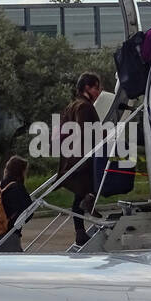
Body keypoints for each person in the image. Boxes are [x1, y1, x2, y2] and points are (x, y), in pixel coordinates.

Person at [58, 72, 102, 247]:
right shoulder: (84, 107)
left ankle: (80, 231)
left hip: (72, 157)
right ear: (87, 88)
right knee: (89, 187)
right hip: (82, 158)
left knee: (79, 194)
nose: (99, 92)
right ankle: (87, 207)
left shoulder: (72, 105)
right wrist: (106, 134)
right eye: (96, 87)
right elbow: (85, 132)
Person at [0, 156, 32, 253]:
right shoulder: (17, 188)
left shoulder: (2, 185)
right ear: (20, 171)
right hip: (8, 235)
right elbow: (28, 209)